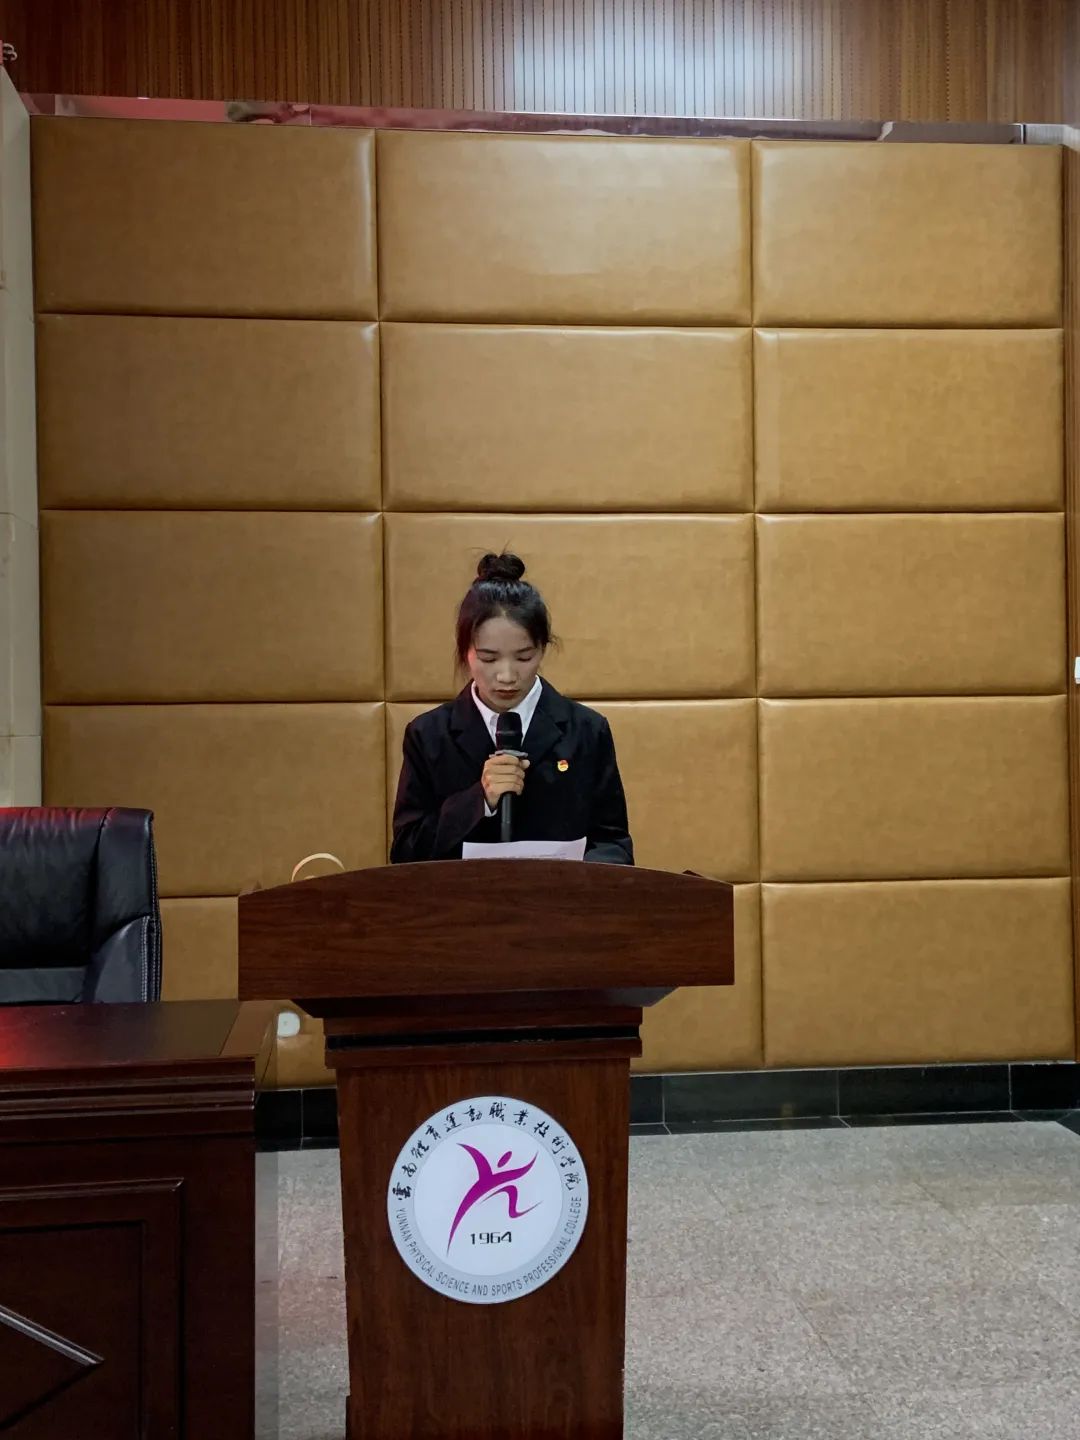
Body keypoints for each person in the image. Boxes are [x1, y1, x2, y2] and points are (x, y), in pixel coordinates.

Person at [390, 552, 633, 865]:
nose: (506, 676)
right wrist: (479, 799)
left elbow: (614, 842)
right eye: (489, 658)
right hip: (463, 897)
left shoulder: (586, 730)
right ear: (465, 652)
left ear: (543, 648)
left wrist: (579, 880)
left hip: (564, 896)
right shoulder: (429, 735)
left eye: (523, 657)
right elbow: (406, 852)